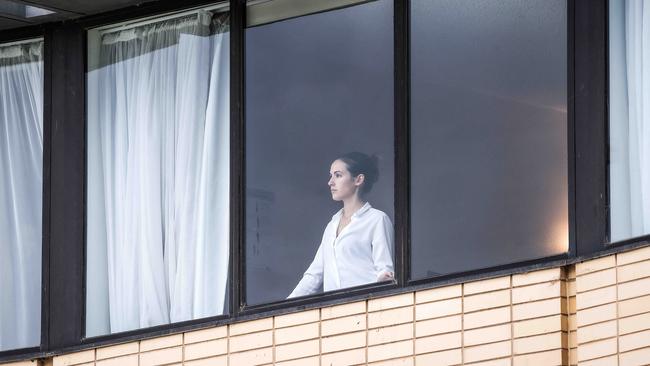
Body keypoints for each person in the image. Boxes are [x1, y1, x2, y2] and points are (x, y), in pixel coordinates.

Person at [288, 152, 395, 298]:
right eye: (331, 175)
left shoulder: (377, 219)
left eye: (338, 175)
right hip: (336, 311)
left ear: (358, 179)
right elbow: (314, 275)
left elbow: (385, 271)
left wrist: (383, 281)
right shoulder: (331, 226)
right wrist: (283, 309)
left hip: (366, 306)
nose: (330, 182)